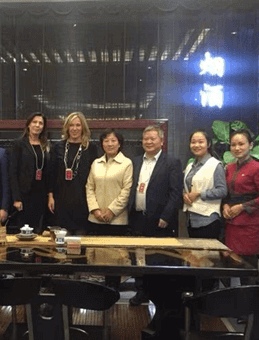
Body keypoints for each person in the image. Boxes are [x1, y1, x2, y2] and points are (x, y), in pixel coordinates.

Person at [127, 125, 183, 306]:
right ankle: (141, 291)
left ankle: (157, 295)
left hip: (159, 219)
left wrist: (166, 216)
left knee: (157, 258)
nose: (149, 142)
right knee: (138, 257)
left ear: (161, 140)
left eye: (153, 138)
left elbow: (176, 192)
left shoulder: (172, 162)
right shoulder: (135, 161)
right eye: (146, 139)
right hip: (137, 217)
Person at [222, 129, 259, 260]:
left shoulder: (258, 168)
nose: (237, 148)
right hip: (231, 223)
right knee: (230, 264)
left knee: (247, 265)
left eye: (241, 144)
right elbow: (226, 193)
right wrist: (225, 205)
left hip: (249, 225)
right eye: (233, 145)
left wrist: (242, 207)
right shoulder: (229, 167)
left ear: (250, 145)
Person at [47, 112, 99, 235]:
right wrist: (50, 196)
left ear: (83, 127)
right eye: (71, 125)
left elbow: (95, 176)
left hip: (83, 200)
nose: (74, 129)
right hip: (61, 200)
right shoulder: (57, 147)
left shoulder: (91, 148)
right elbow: (51, 173)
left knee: (81, 239)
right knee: (62, 239)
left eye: (78, 125)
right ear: (67, 127)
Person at [9, 112, 50, 234]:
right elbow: (12, 173)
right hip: (24, 196)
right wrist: (16, 198)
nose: (37, 125)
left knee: (39, 231)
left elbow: (49, 171)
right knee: (24, 232)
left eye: (40, 123)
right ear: (28, 125)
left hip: (41, 195)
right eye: (34, 122)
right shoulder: (18, 144)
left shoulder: (46, 145)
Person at [86, 129, 133, 236]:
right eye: (106, 141)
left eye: (113, 140)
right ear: (102, 144)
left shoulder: (127, 163)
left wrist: (112, 211)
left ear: (119, 143)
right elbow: (89, 188)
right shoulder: (96, 163)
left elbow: (127, 190)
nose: (110, 144)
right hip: (95, 218)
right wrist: (95, 209)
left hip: (117, 220)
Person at [183, 129, 227, 239]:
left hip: (208, 220)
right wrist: (184, 195)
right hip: (191, 219)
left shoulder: (216, 165)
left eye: (201, 142)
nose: (196, 145)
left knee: (207, 250)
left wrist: (199, 193)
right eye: (193, 142)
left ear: (208, 144)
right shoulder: (190, 166)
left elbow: (222, 191)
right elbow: (187, 187)